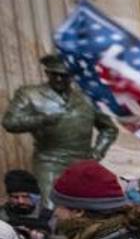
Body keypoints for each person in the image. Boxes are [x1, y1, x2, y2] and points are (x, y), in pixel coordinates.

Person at [2, 53, 119, 201]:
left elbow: (109, 128)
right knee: (50, 204)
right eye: (54, 74)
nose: (58, 79)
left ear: (72, 76)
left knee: (83, 204)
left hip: (82, 162)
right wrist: (42, 119)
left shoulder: (87, 97)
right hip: (49, 160)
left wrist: (97, 153)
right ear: (47, 73)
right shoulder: (29, 94)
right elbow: (10, 122)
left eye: (64, 75)